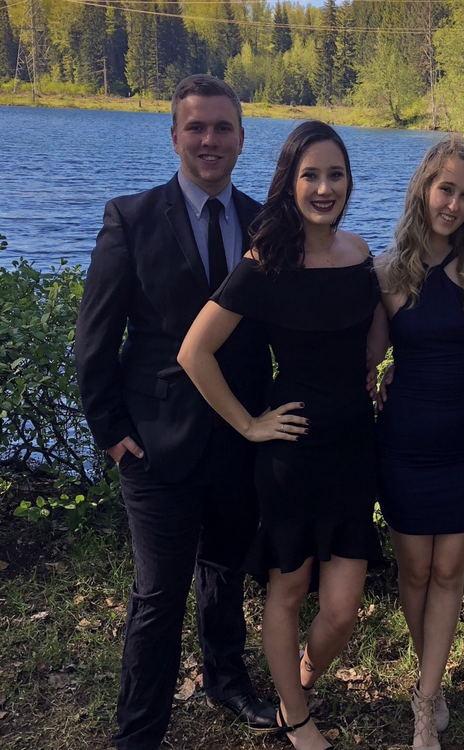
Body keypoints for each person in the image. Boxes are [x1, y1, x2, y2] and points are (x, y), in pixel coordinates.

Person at [74, 75, 277, 749]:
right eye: (196, 127)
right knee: (158, 595)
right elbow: (94, 341)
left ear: (242, 139)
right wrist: (112, 434)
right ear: (174, 137)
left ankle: (226, 679)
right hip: (155, 442)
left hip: (239, 434)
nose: (209, 140)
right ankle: (140, 731)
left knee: (224, 570)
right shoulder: (131, 219)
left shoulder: (265, 224)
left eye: (222, 128)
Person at [178, 120, 382, 750]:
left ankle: (299, 679)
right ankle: (295, 716)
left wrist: (385, 372)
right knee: (288, 588)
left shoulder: (360, 254)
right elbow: (194, 352)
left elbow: (372, 337)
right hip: (291, 452)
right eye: (310, 175)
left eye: (335, 175)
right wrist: (248, 423)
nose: (324, 188)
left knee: (342, 609)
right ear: (290, 183)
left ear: (348, 182)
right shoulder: (265, 262)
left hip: (354, 449)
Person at [368, 138, 464, 750]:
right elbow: (366, 360)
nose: (454, 204)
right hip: (404, 443)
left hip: (462, 444)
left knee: (449, 570)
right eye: (446, 189)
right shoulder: (388, 271)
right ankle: (431, 679)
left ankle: (425, 702)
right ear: (424, 189)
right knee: (415, 570)